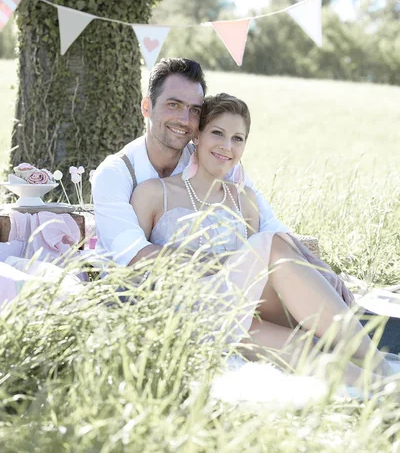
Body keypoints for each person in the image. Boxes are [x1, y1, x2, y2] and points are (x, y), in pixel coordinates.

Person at [130, 93, 394, 384]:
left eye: (237, 138)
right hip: (190, 312)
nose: (226, 146)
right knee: (273, 245)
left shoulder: (246, 201)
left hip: (244, 311)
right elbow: (132, 267)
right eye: (217, 133)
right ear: (198, 136)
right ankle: (379, 370)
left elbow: (261, 275)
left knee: (309, 347)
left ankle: (385, 384)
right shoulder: (154, 193)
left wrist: (319, 267)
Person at [92, 58, 353, 302]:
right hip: (129, 298)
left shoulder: (208, 158)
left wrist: (318, 267)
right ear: (147, 106)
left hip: (206, 293)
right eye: (174, 105)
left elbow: (267, 223)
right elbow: (135, 256)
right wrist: (235, 265)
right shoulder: (115, 174)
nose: (185, 120)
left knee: (300, 295)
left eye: (194, 110)